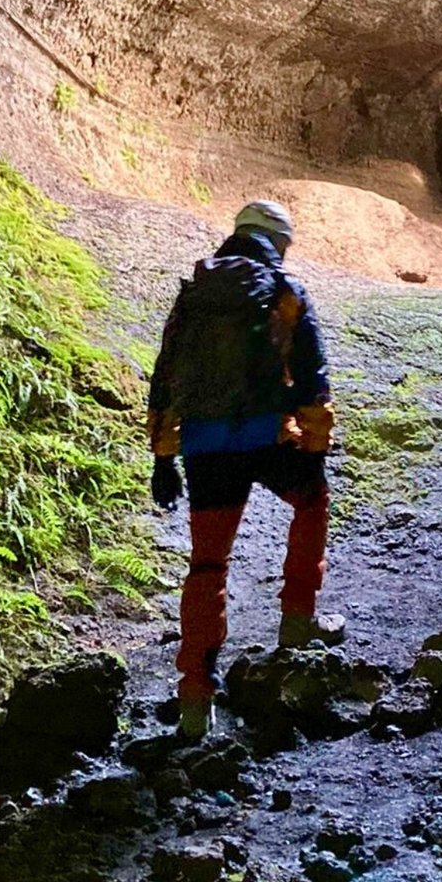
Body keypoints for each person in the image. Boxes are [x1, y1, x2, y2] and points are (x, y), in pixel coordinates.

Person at [146, 200, 343, 740]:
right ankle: (298, 621)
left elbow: (165, 376)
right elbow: (312, 377)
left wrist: (163, 457)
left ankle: (194, 700)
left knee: (207, 564)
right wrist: (316, 446)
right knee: (311, 500)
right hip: (268, 436)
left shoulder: (194, 295)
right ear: (277, 244)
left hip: (205, 447)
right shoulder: (284, 293)